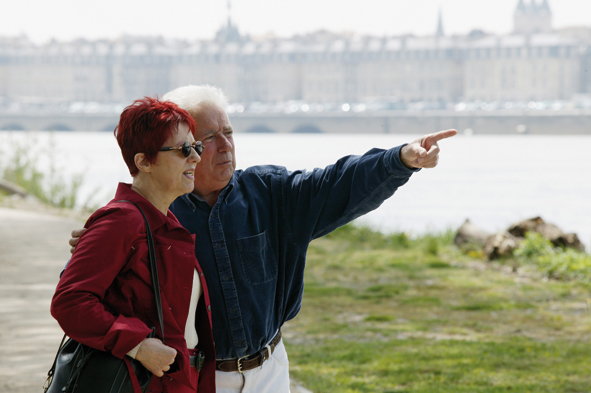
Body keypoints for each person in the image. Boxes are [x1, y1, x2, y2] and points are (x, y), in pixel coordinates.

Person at [69, 85, 456, 393]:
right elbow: (81, 298)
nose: (225, 145)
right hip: (195, 378)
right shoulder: (149, 215)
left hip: (270, 370)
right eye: (205, 139)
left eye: (229, 132)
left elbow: (337, 182)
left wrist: (399, 159)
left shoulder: (269, 192)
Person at [53, 97, 216, 393]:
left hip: (176, 381)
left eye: (197, 147)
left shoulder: (166, 223)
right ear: (143, 162)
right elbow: (70, 301)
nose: (195, 158)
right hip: (138, 381)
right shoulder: (121, 221)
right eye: (183, 149)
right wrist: (138, 345)